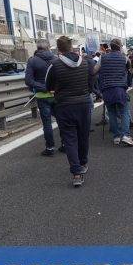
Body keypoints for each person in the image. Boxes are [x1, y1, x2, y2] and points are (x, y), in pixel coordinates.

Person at [45, 36, 96, 187]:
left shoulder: (54, 64)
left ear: (58, 49)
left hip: (65, 105)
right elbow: (91, 80)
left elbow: (48, 85)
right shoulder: (85, 62)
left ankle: (76, 173)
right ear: (72, 47)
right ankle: (83, 162)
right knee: (83, 135)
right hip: (84, 103)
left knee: (69, 139)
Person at [99, 38, 133, 147]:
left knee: (111, 112)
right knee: (124, 112)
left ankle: (116, 136)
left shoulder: (103, 57)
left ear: (110, 46)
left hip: (107, 89)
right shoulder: (125, 58)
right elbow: (130, 71)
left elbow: (94, 70)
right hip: (120, 88)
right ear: (119, 46)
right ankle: (125, 135)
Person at [25, 39, 57, 156]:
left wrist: (43, 87)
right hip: (56, 95)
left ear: (37, 48)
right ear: (49, 47)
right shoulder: (56, 59)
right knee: (62, 120)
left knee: (47, 123)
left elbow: (28, 80)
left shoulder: (32, 61)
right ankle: (65, 144)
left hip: (42, 96)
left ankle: (50, 148)